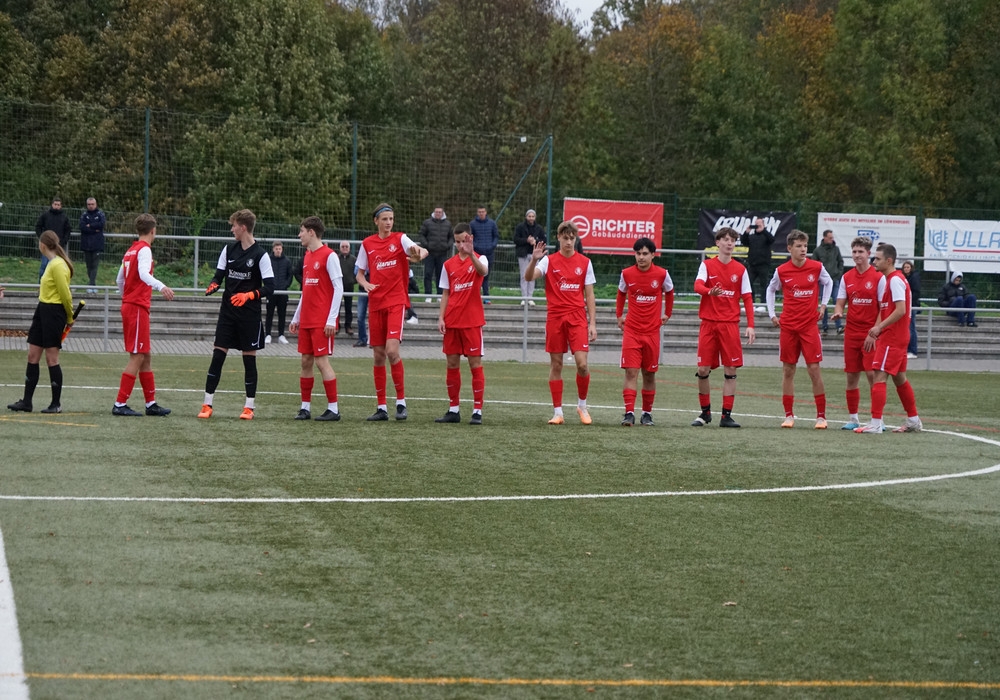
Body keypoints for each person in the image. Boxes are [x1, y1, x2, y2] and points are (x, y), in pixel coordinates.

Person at [198, 209, 274, 420]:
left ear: (243, 227)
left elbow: (270, 287)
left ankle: (249, 407)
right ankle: (207, 404)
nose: (231, 229)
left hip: (249, 316)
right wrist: (214, 283)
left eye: (233, 226)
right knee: (217, 356)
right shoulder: (228, 249)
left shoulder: (261, 255)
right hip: (228, 314)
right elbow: (219, 275)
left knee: (249, 360)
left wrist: (249, 295)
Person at [355, 203, 428, 421]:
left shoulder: (400, 239)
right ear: (376, 221)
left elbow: (421, 250)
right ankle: (381, 408)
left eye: (391, 219)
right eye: (385, 219)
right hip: (376, 304)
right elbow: (359, 273)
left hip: (396, 302)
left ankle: (401, 403)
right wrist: (365, 283)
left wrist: (419, 255)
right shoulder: (367, 244)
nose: (389, 222)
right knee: (378, 355)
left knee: (392, 351)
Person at [525, 221, 597, 425]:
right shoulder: (548, 261)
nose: (568, 242)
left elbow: (589, 295)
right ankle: (558, 413)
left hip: (577, 317)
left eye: (572, 238)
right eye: (565, 238)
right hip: (555, 317)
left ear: (576, 239)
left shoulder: (585, 262)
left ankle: (582, 406)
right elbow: (528, 277)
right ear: (558, 238)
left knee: (582, 364)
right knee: (556, 364)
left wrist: (592, 323)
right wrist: (534, 260)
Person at [766, 229, 834, 429]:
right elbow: (770, 289)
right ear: (789, 248)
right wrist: (772, 314)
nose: (803, 249)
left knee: (814, 369)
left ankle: (821, 417)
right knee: (788, 370)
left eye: (805, 246)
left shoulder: (816, 267)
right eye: (799, 246)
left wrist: (823, 305)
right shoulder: (782, 271)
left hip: (809, 327)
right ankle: (789, 415)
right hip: (788, 327)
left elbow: (829, 282)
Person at [854, 243, 922, 434]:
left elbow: (901, 310)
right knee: (899, 378)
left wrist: (879, 327)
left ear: (889, 261)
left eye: (878, 258)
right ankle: (913, 419)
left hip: (893, 337)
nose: (874, 261)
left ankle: (876, 424)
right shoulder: (890, 279)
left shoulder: (895, 280)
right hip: (895, 336)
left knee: (879, 375)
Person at [691, 227, 756, 428]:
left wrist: (751, 325)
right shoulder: (707, 265)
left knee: (731, 368)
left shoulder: (740, 269)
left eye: (733, 240)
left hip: (729, 325)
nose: (729, 243)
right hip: (709, 324)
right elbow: (697, 286)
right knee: (703, 369)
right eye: (726, 239)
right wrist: (709, 291)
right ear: (717, 242)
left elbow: (747, 298)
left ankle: (726, 416)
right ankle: (705, 413)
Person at [111, 213, 175, 417]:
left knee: (145, 355)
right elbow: (143, 274)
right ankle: (120, 403)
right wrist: (161, 286)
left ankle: (151, 403)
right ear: (153, 231)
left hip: (131, 305)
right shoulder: (144, 249)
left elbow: (119, 280)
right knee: (138, 355)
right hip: (136, 307)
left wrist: (127, 297)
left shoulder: (131, 250)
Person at [7, 230, 75, 414]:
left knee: (51, 358)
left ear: (43, 245)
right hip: (42, 310)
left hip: (54, 313)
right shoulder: (52, 263)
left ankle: (56, 404)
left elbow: (65, 294)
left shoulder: (58, 265)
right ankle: (26, 402)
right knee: (32, 355)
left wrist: (69, 317)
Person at [288, 216, 344, 422]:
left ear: (311, 232)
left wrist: (331, 319)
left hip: (322, 321)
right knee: (305, 361)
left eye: (302, 231)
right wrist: (296, 317)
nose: (299, 235)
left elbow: (339, 288)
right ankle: (305, 408)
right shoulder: (307, 256)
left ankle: (333, 409)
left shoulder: (330, 256)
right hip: (307, 319)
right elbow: (306, 290)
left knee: (321, 362)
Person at [616, 237, 674, 426]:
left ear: (652, 255)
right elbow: (621, 293)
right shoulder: (626, 274)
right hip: (632, 331)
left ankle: (647, 414)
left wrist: (667, 313)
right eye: (638, 253)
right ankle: (629, 413)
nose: (641, 257)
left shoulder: (662, 274)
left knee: (649, 373)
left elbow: (670, 291)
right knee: (631, 372)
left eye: (645, 254)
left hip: (651, 332)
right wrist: (619, 315)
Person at [434, 223, 488, 425]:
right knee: (451, 364)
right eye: (457, 242)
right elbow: (446, 293)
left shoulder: (480, 258)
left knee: (475, 365)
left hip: (472, 321)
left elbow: (483, 271)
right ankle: (453, 409)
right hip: (452, 321)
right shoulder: (448, 265)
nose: (460, 245)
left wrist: (471, 253)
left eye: (463, 240)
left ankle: (477, 411)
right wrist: (441, 317)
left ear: (470, 238)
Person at [831, 237, 881, 430]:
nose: (857, 255)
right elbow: (840, 302)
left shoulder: (878, 277)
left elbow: (883, 308)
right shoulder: (847, 277)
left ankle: (877, 419)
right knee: (851, 376)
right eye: (854, 252)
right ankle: (853, 418)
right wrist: (838, 312)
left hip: (870, 335)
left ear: (869, 253)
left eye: (861, 252)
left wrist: (874, 332)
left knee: (872, 375)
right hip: (851, 333)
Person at [812, 229, 844, 334]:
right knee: (824, 302)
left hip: (834, 279)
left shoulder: (836, 249)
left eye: (832, 238)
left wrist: (838, 273)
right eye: (830, 238)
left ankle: (839, 325)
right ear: (824, 237)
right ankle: (824, 325)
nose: (832, 239)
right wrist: (819, 277)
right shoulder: (818, 251)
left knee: (836, 300)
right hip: (823, 282)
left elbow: (840, 261)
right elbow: (814, 264)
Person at [417, 207, 452, 301]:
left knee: (441, 275)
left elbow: (451, 237)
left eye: (440, 212)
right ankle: (428, 295)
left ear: (442, 213)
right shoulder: (427, 223)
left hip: (442, 253)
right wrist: (426, 245)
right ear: (434, 212)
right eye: (436, 212)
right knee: (428, 274)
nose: (438, 213)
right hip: (430, 253)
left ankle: (440, 295)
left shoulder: (448, 224)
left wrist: (447, 246)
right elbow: (421, 234)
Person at [740, 216, 774, 311]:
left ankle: (763, 304)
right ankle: (751, 304)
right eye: (756, 224)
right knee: (749, 283)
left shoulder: (766, 236)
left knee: (764, 284)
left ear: (763, 225)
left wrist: (763, 230)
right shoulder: (752, 237)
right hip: (752, 265)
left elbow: (772, 239)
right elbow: (744, 242)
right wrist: (746, 232)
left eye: (759, 224)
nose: (757, 225)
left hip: (763, 264)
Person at [513, 209, 546, 306]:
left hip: (534, 255)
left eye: (532, 216)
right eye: (529, 216)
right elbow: (516, 239)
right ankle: (524, 297)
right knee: (524, 275)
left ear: (535, 217)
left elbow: (544, 240)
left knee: (532, 276)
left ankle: (530, 297)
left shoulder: (539, 228)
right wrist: (526, 240)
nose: (531, 218)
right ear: (526, 217)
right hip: (522, 254)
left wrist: (535, 241)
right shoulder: (520, 227)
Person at [264, 240, 293, 344]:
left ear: (282, 249)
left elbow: (290, 275)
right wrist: (269, 286)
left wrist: (285, 285)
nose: (278, 250)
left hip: (282, 292)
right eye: (276, 249)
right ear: (273, 249)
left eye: (280, 249)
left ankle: (281, 335)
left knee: (282, 314)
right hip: (271, 292)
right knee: (269, 314)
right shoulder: (268, 260)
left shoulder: (287, 261)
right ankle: (268, 335)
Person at [35, 198, 72, 278]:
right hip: (47, 245)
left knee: (59, 265)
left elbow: (68, 230)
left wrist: (64, 241)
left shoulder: (64, 217)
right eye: (55, 204)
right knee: (44, 265)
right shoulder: (45, 215)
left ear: (61, 206)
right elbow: (38, 227)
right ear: (52, 205)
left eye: (58, 205)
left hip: (59, 246)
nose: (56, 206)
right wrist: (42, 238)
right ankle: (41, 283)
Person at [469, 206, 499, 302]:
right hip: (477, 254)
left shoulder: (492, 223)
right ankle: (475, 296)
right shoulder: (472, 224)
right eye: (479, 212)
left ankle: (486, 296)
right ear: (477, 213)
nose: (481, 213)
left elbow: (496, 236)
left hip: (489, 253)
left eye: (483, 211)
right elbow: (470, 237)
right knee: (475, 275)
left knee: (486, 275)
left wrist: (492, 245)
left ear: (486, 212)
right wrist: (476, 246)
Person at [79, 197, 106, 293]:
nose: (90, 206)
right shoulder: (84, 215)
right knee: (89, 265)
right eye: (89, 204)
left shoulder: (100, 214)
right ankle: (91, 284)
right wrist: (94, 229)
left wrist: (90, 226)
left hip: (97, 244)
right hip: (86, 244)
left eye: (92, 204)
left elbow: (101, 224)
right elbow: (82, 227)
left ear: (96, 204)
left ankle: (91, 284)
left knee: (95, 265)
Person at [901, 260, 921, 358]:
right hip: (906, 305)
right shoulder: (904, 277)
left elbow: (916, 292)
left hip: (911, 305)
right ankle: (907, 349)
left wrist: (909, 302)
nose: (906, 269)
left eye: (908, 267)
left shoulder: (914, 277)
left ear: (911, 268)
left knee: (911, 328)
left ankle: (912, 351)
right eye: (905, 267)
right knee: (907, 328)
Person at [338, 240, 356, 335]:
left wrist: (353, 281)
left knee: (348, 307)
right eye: (343, 247)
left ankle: (348, 326)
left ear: (349, 248)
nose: (345, 248)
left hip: (349, 286)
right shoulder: (336, 258)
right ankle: (336, 326)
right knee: (337, 307)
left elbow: (358, 272)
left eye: (346, 247)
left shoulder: (354, 259)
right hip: (338, 286)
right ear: (340, 248)